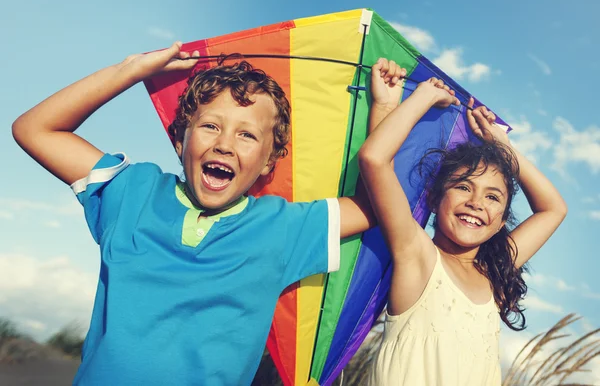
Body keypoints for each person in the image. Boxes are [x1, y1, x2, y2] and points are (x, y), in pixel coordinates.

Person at [11, 42, 405, 385]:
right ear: (181, 138)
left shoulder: (282, 227)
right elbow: (35, 129)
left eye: (247, 134)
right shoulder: (132, 192)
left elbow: (372, 204)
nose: (225, 144)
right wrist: (131, 70)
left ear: (269, 162)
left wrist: (386, 105)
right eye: (211, 126)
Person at [358, 76, 567, 385]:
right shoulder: (417, 254)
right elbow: (374, 159)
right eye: (463, 187)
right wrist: (424, 96)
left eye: (492, 197)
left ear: (501, 221)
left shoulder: (492, 274)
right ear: (434, 198)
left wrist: (504, 147)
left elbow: (554, 209)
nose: (476, 203)